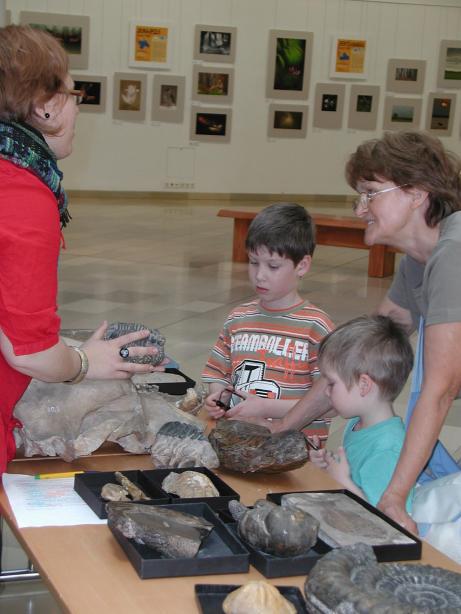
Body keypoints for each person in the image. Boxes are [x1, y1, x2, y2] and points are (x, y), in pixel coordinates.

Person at [237, 131, 461, 534]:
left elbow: (440, 389)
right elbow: (354, 356)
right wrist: (284, 425)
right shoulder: (419, 260)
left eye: (370, 193)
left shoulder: (453, 253)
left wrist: (393, 497)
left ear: (416, 192)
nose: (361, 210)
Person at [0, 25, 159, 475]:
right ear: (45, 105)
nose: (75, 106)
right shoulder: (22, 194)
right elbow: (28, 353)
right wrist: (85, 362)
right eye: (72, 93)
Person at [202, 202, 335, 442]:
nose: (260, 274)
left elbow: (333, 402)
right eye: (254, 262)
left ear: (302, 266)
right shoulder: (237, 319)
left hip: (297, 455)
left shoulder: (317, 327)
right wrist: (217, 397)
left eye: (273, 266)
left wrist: (267, 408)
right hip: (240, 444)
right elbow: (217, 374)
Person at [308, 315, 414, 509]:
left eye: (332, 383)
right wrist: (328, 466)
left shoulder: (387, 449)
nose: (326, 391)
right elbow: (359, 476)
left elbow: (386, 523)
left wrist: (342, 482)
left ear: (364, 385)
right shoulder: (358, 423)